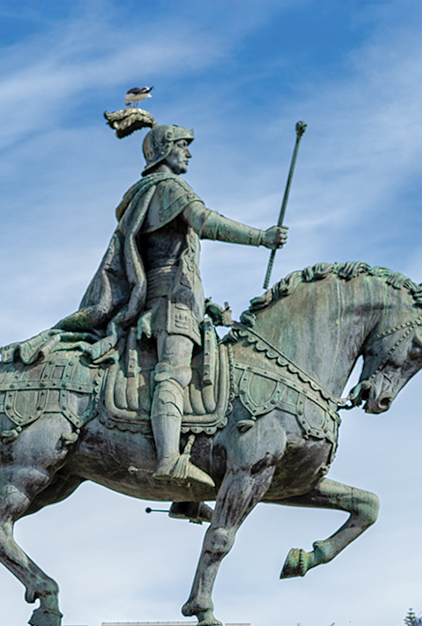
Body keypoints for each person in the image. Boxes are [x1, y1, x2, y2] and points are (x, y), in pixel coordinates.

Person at [59, 123, 286, 489]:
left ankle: (187, 490)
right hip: (170, 303)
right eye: (183, 145)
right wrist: (261, 238)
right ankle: (168, 459)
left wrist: (206, 305)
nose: (189, 153)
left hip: (179, 298)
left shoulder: (149, 193)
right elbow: (204, 221)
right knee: (174, 371)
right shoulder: (170, 188)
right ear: (165, 148)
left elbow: (174, 260)